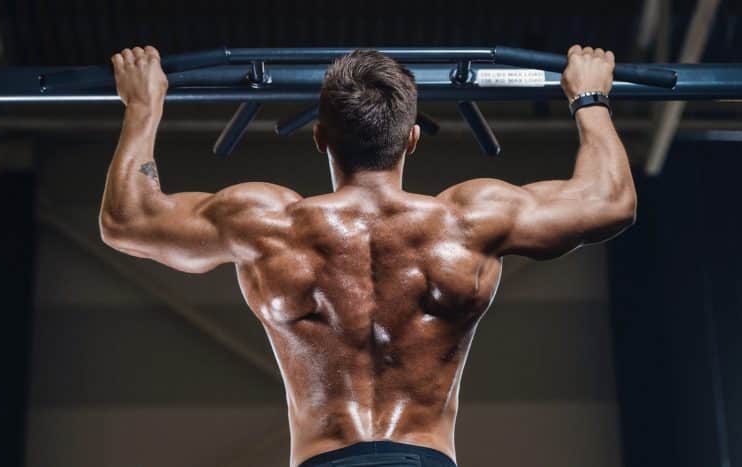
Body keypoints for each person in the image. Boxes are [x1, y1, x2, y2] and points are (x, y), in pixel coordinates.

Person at [100, 44, 636, 467]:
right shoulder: (470, 221)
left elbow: (128, 220)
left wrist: (144, 107)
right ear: (412, 140)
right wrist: (589, 99)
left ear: (318, 137)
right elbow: (611, 202)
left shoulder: (267, 224)